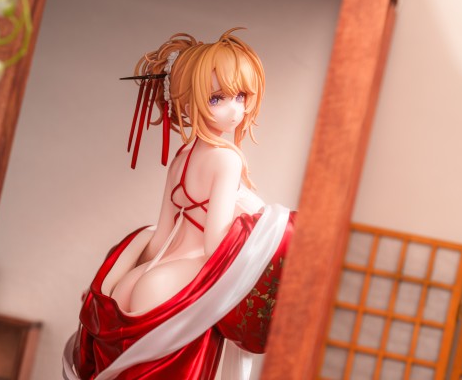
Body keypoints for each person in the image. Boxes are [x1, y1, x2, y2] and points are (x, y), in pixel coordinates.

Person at [62, 28, 295, 380]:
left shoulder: (182, 156)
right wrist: (256, 226)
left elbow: (161, 236)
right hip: (182, 279)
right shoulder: (227, 159)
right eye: (217, 98)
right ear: (187, 102)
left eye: (241, 96)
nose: (235, 110)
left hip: (143, 276)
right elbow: (215, 245)